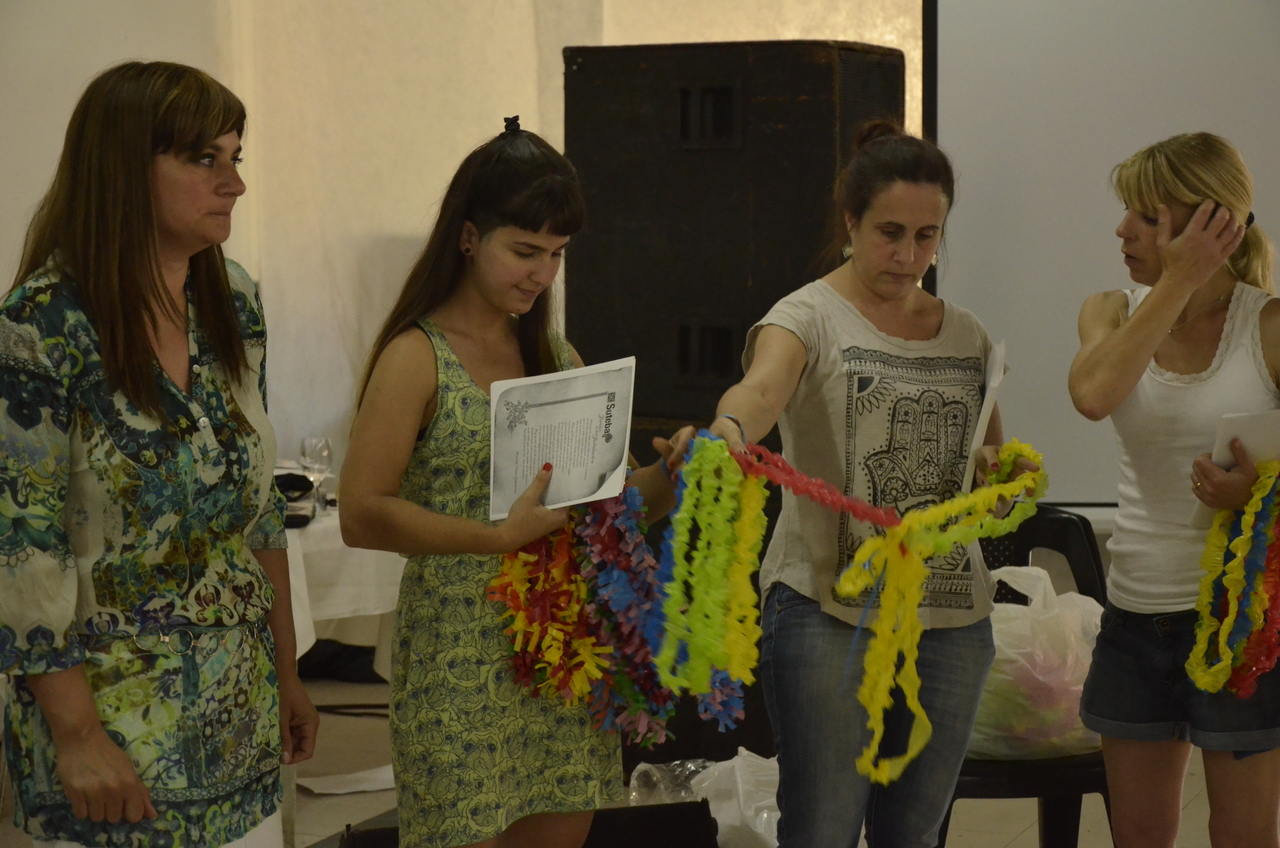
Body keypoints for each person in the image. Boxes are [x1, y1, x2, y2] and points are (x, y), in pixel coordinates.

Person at [668, 119, 1022, 847]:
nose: (909, 255)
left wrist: (1003, 476)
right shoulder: (806, 316)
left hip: (950, 620)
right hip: (826, 611)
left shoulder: (969, 335)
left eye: (927, 236)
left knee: (914, 834)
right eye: (890, 233)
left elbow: (992, 456)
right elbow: (759, 391)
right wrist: (729, 428)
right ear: (850, 222)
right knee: (823, 829)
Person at [340, 118, 686, 848]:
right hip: (457, 656)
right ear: (468, 237)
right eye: (525, 251)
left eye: (557, 255)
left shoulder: (555, 353)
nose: (541, 274)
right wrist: (495, 537)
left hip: (560, 656)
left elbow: (612, 510)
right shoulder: (416, 355)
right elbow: (361, 513)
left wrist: (672, 474)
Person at [0, 61, 317, 848]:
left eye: (235, 157)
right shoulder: (43, 324)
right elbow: (21, 546)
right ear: (123, 168)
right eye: (204, 159)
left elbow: (259, 512)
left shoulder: (231, 299)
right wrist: (77, 735)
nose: (234, 183)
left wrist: (286, 670)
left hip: (240, 721)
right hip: (112, 740)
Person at [1070, 132, 1280, 848]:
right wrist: (1180, 281)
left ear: (1214, 225)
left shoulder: (1269, 326)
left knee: (1243, 836)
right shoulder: (1108, 311)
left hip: (1239, 621)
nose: (1122, 231)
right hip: (1134, 618)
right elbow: (1094, 394)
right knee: (1138, 837)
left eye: (1147, 217)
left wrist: (1256, 493)